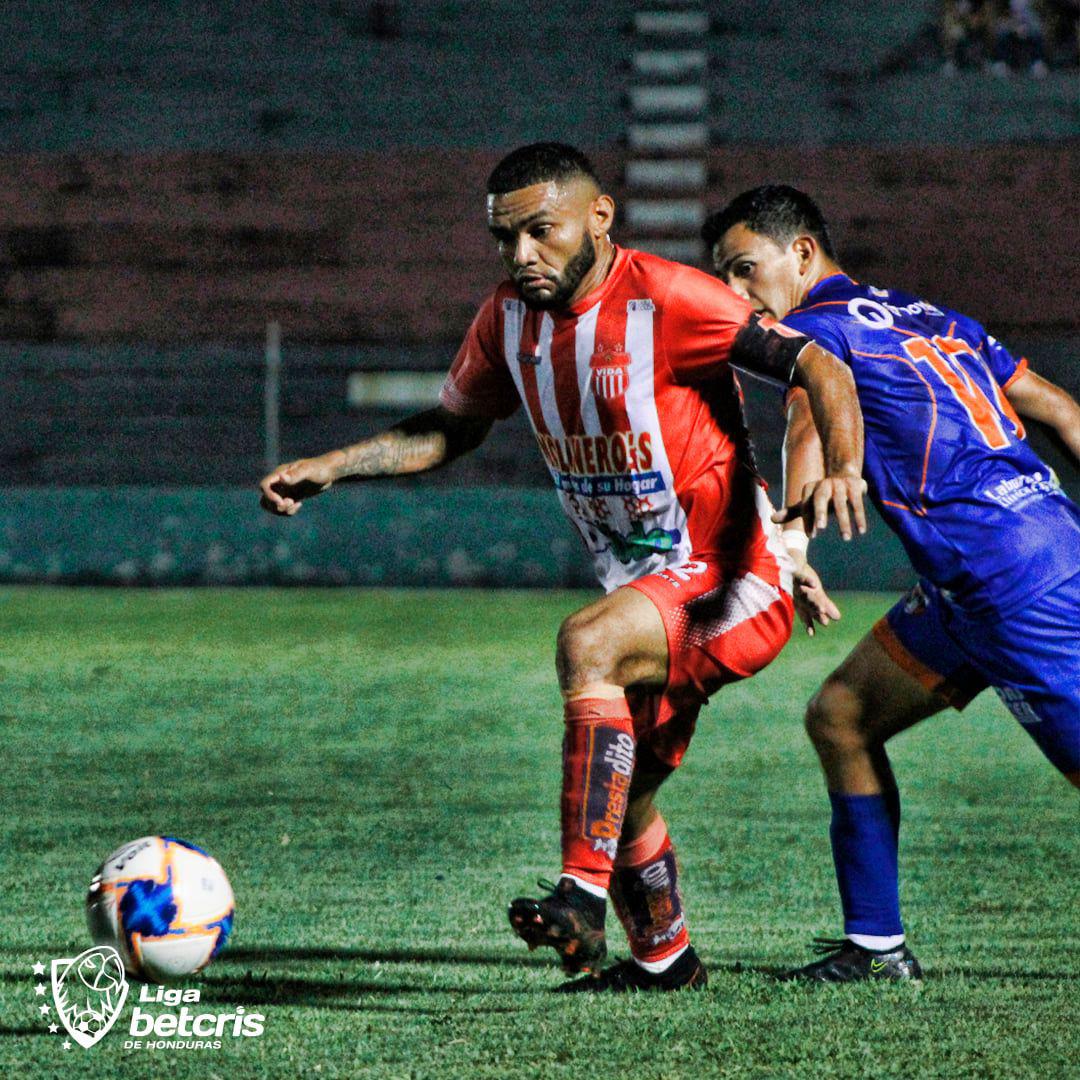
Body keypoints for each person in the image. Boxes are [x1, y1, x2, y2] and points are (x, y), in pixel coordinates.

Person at [260, 146, 867, 992]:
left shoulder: (671, 298)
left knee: (586, 645)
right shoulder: (507, 319)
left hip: (734, 578)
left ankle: (578, 896)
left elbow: (819, 364)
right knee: (629, 792)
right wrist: (335, 464)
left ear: (600, 217)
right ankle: (664, 960)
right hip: (650, 594)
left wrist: (840, 469)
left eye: (541, 233)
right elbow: (452, 427)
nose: (522, 257)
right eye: (506, 239)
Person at [704, 185, 1080, 982]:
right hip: (996, 568)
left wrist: (794, 538)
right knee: (841, 716)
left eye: (745, 271)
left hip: (1011, 586)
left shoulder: (811, 330)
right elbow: (1065, 413)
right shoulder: (935, 317)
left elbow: (808, 418)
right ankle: (876, 948)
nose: (737, 297)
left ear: (801, 252)